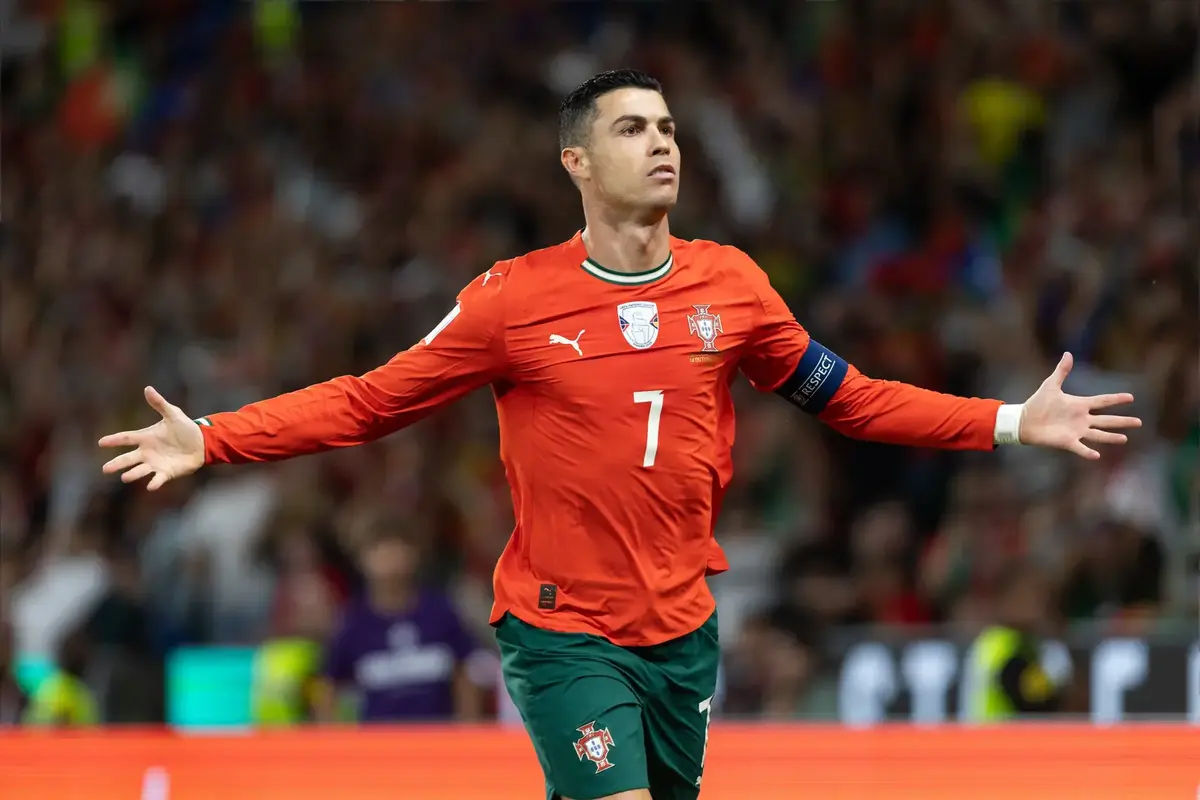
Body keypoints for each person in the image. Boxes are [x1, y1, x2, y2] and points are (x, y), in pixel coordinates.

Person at [99, 70, 1140, 800]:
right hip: (562, 629)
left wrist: (1012, 419)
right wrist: (216, 438)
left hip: (681, 629)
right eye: (635, 128)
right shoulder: (511, 300)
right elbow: (372, 399)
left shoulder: (733, 287)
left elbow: (850, 398)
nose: (663, 143)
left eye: (670, 127)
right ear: (579, 162)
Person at [312, 526, 487, 723]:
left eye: (397, 550)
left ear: (414, 555)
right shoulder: (352, 623)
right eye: (380, 551)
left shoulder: (441, 612)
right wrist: (332, 734)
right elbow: (327, 685)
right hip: (379, 736)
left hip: (439, 733)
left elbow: (465, 672)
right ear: (361, 559)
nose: (390, 561)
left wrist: (469, 724)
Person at [962, 563, 1072, 722]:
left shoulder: (996, 640)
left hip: (986, 732)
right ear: (1007, 598)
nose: (1038, 605)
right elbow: (1032, 700)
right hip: (996, 734)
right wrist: (1054, 678)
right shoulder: (1007, 646)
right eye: (1030, 596)